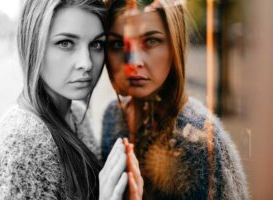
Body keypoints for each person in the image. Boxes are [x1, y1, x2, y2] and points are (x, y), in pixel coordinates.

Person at [0, 0, 142, 199]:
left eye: (96, 44)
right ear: (33, 45)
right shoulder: (20, 145)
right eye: (66, 43)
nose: (86, 63)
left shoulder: (76, 112)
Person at [101, 0, 249, 199]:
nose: (133, 62)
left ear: (174, 43)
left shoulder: (199, 141)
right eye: (118, 44)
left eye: (151, 41)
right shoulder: (113, 117)